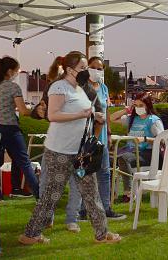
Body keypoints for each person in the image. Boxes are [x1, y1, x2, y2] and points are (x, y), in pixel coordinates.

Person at [19, 51, 121, 245]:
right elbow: (53, 115)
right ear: (69, 69)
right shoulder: (59, 87)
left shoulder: (83, 89)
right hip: (59, 151)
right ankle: (30, 235)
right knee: (51, 195)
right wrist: (80, 115)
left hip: (80, 152)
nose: (86, 71)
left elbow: (89, 111)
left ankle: (102, 234)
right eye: (83, 68)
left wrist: (94, 117)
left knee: (91, 193)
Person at [66, 56, 127, 224]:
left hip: (101, 139)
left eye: (100, 68)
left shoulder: (104, 88)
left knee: (104, 173)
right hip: (86, 138)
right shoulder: (81, 88)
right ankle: (85, 210)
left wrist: (108, 133)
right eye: (93, 67)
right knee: (86, 174)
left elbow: (105, 110)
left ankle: (106, 208)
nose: (97, 71)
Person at [0, 56, 40, 200]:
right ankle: (39, 193)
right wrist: (37, 111)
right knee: (23, 161)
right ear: (9, 71)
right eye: (16, 70)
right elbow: (23, 110)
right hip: (11, 128)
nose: (17, 73)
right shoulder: (13, 87)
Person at [109, 91, 164, 202]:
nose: (138, 108)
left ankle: (129, 193)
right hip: (131, 151)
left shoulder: (153, 120)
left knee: (123, 158)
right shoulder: (132, 119)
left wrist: (144, 139)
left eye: (141, 105)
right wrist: (126, 110)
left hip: (148, 153)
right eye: (136, 105)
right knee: (109, 159)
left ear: (147, 105)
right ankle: (111, 193)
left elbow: (162, 140)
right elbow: (112, 118)